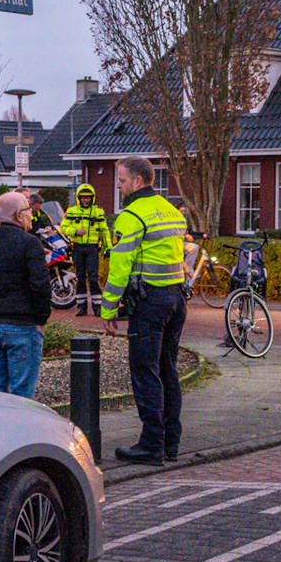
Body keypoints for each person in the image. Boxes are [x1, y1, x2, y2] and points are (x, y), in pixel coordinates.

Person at [101, 156, 188, 466]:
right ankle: (171, 443)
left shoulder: (131, 217)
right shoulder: (172, 213)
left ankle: (152, 444)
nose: (119, 186)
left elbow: (120, 268)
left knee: (145, 370)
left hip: (150, 303)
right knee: (168, 369)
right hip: (177, 299)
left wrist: (108, 308)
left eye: (122, 181)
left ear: (137, 181)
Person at [0, 190, 51, 398]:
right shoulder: (30, 243)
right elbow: (40, 285)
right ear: (18, 215)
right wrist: (41, 319)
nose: (31, 214)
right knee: (22, 395)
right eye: (28, 210)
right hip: (23, 325)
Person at [59, 183, 112, 317]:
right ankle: (81, 307)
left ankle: (97, 307)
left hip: (92, 248)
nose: (85, 200)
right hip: (78, 248)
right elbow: (63, 228)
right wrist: (75, 231)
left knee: (93, 278)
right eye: (83, 198)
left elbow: (105, 231)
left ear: (92, 198)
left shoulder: (97, 212)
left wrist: (109, 247)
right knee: (80, 278)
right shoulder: (72, 211)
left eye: (88, 198)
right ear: (79, 198)